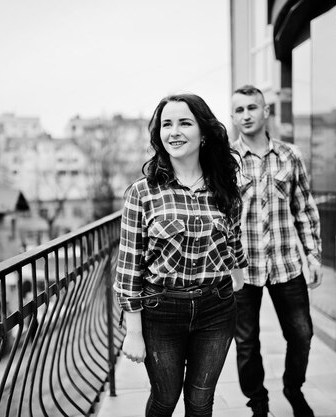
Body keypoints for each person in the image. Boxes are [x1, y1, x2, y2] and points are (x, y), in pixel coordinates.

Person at [114, 93, 248, 417]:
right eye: (166, 124)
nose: (174, 131)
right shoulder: (142, 192)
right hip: (161, 310)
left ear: (203, 132)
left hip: (215, 309)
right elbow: (129, 265)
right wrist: (133, 332)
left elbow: (233, 239)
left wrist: (239, 277)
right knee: (165, 398)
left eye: (184, 123)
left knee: (201, 402)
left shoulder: (224, 187)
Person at [230, 85, 322, 417]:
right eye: (239, 110)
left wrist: (312, 255)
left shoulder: (290, 155)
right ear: (233, 116)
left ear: (266, 112)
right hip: (242, 270)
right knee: (246, 343)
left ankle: (293, 388)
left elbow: (305, 208)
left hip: (286, 265)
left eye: (252, 108)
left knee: (302, 334)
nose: (246, 115)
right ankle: (258, 402)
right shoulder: (227, 162)